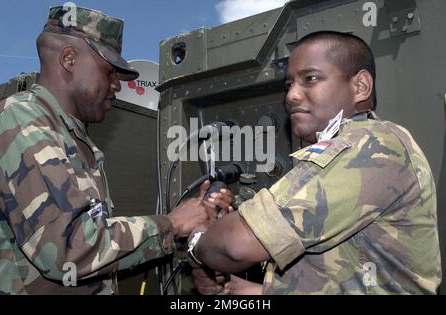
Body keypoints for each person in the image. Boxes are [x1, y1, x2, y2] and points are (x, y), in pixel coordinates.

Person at [0, 6, 233, 295]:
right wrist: (173, 224)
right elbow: (66, 249)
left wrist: (192, 228)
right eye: (109, 72)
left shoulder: (73, 137)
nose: (117, 86)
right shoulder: (23, 121)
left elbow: (98, 254)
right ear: (69, 59)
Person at [187, 31, 442, 295]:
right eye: (289, 85)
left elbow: (236, 245)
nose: (292, 96)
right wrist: (236, 289)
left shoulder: (370, 144)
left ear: (361, 86)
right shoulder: (358, 145)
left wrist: (198, 242)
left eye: (310, 79)